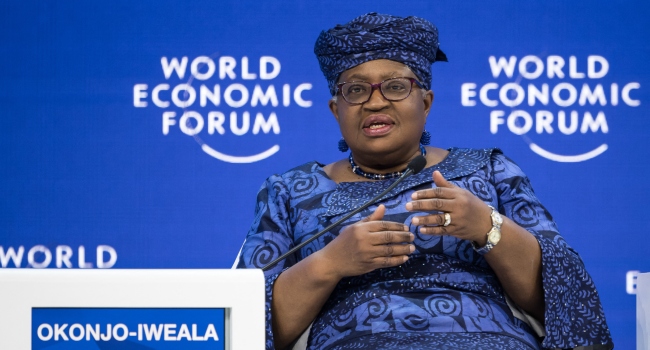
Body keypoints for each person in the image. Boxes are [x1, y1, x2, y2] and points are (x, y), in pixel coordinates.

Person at [236, 13, 613, 350]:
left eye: (396, 87)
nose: (375, 102)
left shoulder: (490, 170)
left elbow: (563, 295)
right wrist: (331, 262)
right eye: (356, 90)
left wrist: (487, 227)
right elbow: (246, 318)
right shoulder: (289, 189)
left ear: (426, 102)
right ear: (337, 110)